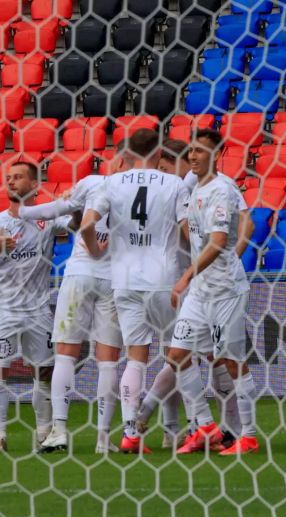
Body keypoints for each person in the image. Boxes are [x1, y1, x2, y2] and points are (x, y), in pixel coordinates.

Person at [138, 139, 255, 449]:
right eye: (190, 150)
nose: (193, 155)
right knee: (176, 355)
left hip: (223, 288)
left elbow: (228, 235)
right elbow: (198, 238)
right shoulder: (189, 191)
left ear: (215, 155)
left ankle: (247, 435)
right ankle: (205, 426)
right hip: (198, 290)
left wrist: (216, 265)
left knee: (228, 362)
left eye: (199, 150)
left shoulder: (223, 187)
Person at [16, 145, 133, 454]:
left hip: (80, 274)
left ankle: (60, 430)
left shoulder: (93, 181)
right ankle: (103, 438)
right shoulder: (137, 191)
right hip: (115, 279)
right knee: (108, 361)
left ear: (117, 160)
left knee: (66, 355)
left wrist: (23, 210)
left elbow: (56, 209)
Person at [81, 128, 190, 455]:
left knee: (136, 359)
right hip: (164, 279)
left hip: (124, 280)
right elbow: (186, 231)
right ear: (159, 154)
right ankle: (196, 426)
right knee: (181, 354)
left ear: (127, 153)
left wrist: (96, 251)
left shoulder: (111, 183)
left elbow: (87, 224)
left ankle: (130, 432)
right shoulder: (173, 183)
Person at [0, 162, 78, 454]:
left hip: (37, 311)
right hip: (3, 309)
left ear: (34, 185)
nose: (11, 182)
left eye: (18, 177)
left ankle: (45, 434)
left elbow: (76, 224)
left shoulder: (45, 219)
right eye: (8, 178)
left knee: (44, 373)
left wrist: (75, 205)